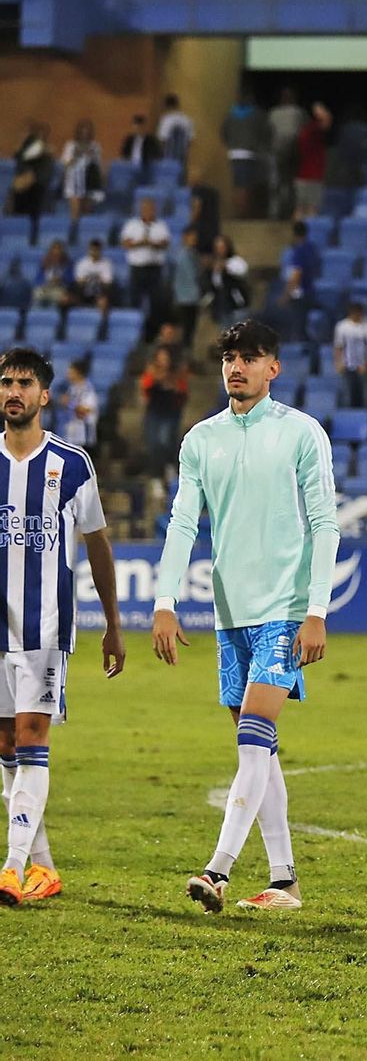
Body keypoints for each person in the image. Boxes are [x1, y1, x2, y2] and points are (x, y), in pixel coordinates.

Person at [153, 320, 339, 913]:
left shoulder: (302, 433)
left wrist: (316, 611)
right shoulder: (200, 440)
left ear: (272, 368)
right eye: (230, 357)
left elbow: (325, 524)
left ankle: (219, 870)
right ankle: (285, 882)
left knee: (255, 737)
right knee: (258, 750)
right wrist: (164, 599)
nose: (237, 367)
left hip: (285, 610)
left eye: (250, 358)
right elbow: (184, 522)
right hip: (231, 614)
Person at [0, 347, 125, 907]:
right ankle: (43, 865)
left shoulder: (71, 464)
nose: (13, 391)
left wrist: (114, 624)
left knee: (32, 738)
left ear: (44, 395)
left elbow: (97, 545)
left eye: (24, 383)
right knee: (5, 744)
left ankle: (11, 867)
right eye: (5, 382)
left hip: (45, 628)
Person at [139, 346, 187, 481]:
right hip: (154, 412)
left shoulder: (177, 374)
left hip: (170, 413)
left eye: (165, 357)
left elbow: (182, 394)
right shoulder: (150, 373)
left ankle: (169, 469)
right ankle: (156, 475)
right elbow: (146, 391)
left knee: (166, 442)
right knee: (154, 444)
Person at [120, 196, 171, 317]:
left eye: (151, 208)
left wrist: (152, 243)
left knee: (156, 301)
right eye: (146, 208)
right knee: (134, 300)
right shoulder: (132, 225)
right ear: (141, 210)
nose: (149, 211)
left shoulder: (161, 225)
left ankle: (153, 329)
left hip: (154, 269)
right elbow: (125, 243)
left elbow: (165, 243)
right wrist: (140, 243)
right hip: (137, 269)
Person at [222, 93, 270, 218]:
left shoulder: (229, 115)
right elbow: (266, 133)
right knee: (246, 186)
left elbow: (224, 134)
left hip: (233, 154)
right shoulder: (257, 115)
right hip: (250, 154)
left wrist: (231, 144)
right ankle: (243, 215)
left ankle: (239, 213)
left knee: (237, 186)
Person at [267, 89, 307, 220]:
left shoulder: (296, 112)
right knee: (282, 184)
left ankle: (285, 213)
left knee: (287, 184)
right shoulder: (276, 113)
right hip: (283, 153)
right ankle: (278, 213)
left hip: (289, 152)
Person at [333, 301, 367, 409]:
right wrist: (339, 362)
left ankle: (366, 417)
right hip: (347, 366)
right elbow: (338, 346)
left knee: (366, 397)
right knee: (347, 396)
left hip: (364, 366)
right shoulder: (342, 326)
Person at [279, 221, 320, 341]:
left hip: (299, 295)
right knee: (304, 328)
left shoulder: (298, 251)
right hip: (310, 291)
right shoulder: (312, 248)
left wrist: (286, 295)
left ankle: (301, 356)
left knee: (298, 330)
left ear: (294, 234)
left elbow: (297, 275)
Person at [61, 120, 105, 221]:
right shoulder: (70, 145)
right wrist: (76, 156)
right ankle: (74, 232)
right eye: (82, 132)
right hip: (74, 181)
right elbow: (65, 165)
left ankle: (84, 233)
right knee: (75, 213)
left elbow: (98, 166)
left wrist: (91, 155)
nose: (84, 134)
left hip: (88, 180)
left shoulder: (95, 146)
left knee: (86, 212)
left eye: (87, 132)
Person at [294, 103, 333, 218]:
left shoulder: (305, 130)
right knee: (311, 210)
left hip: (303, 176)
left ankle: (298, 234)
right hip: (313, 177)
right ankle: (305, 235)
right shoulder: (313, 129)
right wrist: (324, 114)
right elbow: (326, 123)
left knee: (300, 209)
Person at [9, 123, 52, 224]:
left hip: (37, 183)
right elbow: (20, 162)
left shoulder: (47, 151)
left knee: (34, 193)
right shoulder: (24, 151)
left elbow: (44, 172)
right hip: (24, 182)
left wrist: (32, 179)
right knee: (18, 189)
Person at [168, 226, 203, 348]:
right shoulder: (180, 256)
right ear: (184, 238)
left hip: (193, 297)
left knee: (190, 330)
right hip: (183, 298)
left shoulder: (193, 254)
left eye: (195, 238)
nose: (194, 240)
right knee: (184, 330)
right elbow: (192, 275)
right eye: (191, 237)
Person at [58, 359, 99, 450]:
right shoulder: (72, 388)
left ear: (77, 372)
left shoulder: (87, 389)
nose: (68, 373)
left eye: (70, 370)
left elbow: (87, 409)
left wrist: (69, 403)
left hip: (83, 435)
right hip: (72, 434)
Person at [72, 238, 115, 310]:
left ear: (100, 251)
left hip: (101, 290)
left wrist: (91, 279)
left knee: (104, 298)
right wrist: (95, 278)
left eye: (97, 250)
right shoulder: (82, 263)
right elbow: (79, 282)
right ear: (88, 250)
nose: (94, 252)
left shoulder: (107, 263)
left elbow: (107, 283)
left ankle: (102, 319)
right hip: (84, 291)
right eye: (92, 250)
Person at [157, 94, 194, 171]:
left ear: (167, 106)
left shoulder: (166, 119)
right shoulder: (186, 119)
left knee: (169, 177)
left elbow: (162, 140)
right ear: (177, 104)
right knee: (181, 176)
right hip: (183, 155)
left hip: (169, 155)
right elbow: (190, 140)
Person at [119, 114, 162, 179]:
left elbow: (156, 155)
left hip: (145, 167)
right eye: (135, 128)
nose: (137, 130)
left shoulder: (150, 140)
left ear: (143, 127)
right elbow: (124, 153)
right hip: (130, 166)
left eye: (139, 128)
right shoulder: (129, 140)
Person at [31, 240, 72, 308]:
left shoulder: (68, 264)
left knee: (57, 296)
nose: (56, 251)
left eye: (58, 249)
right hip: (45, 287)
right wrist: (44, 284)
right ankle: (36, 315)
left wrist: (61, 279)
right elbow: (37, 279)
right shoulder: (44, 263)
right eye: (54, 249)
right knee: (37, 293)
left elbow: (71, 280)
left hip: (59, 288)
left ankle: (53, 316)